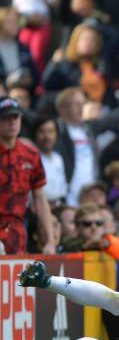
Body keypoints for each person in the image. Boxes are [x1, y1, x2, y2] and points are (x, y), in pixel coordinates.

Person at [0, 97, 55, 254]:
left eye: (15, 117)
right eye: (6, 118)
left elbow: (39, 197)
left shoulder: (30, 154)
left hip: (17, 230)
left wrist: (50, 240)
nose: (12, 122)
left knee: (17, 277)